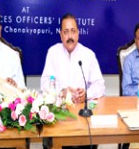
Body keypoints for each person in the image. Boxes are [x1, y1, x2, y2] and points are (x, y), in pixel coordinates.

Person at [40, 13, 105, 149]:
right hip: (59, 115)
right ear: (61, 35)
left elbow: (100, 85)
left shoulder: (88, 55)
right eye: (66, 32)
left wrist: (86, 94)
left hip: (82, 117)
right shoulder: (53, 52)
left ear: (78, 33)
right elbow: (44, 83)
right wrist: (60, 92)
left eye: (73, 31)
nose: (70, 36)